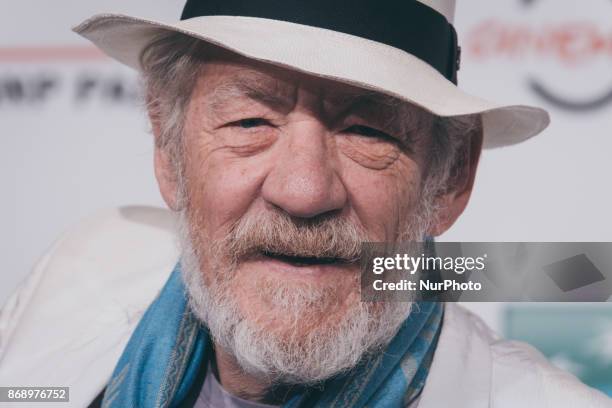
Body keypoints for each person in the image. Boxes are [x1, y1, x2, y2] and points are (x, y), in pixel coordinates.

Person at [1, 0, 610, 407]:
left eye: (368, 132)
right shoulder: (84, 265)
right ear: (167, 151)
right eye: (248, 120)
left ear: (449, 179)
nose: (303, 191)